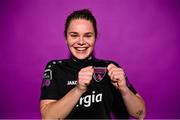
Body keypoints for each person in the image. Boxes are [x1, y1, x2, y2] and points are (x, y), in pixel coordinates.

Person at [40, 9, 146, 119]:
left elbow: (140, 113)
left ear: (95, 37)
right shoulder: (55, 68)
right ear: (66, 38)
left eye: (88, 35)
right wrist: (78, 89)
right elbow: (47, 118)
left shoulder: (109, 68)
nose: (81, 42)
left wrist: (124, 89)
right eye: (74, 35)